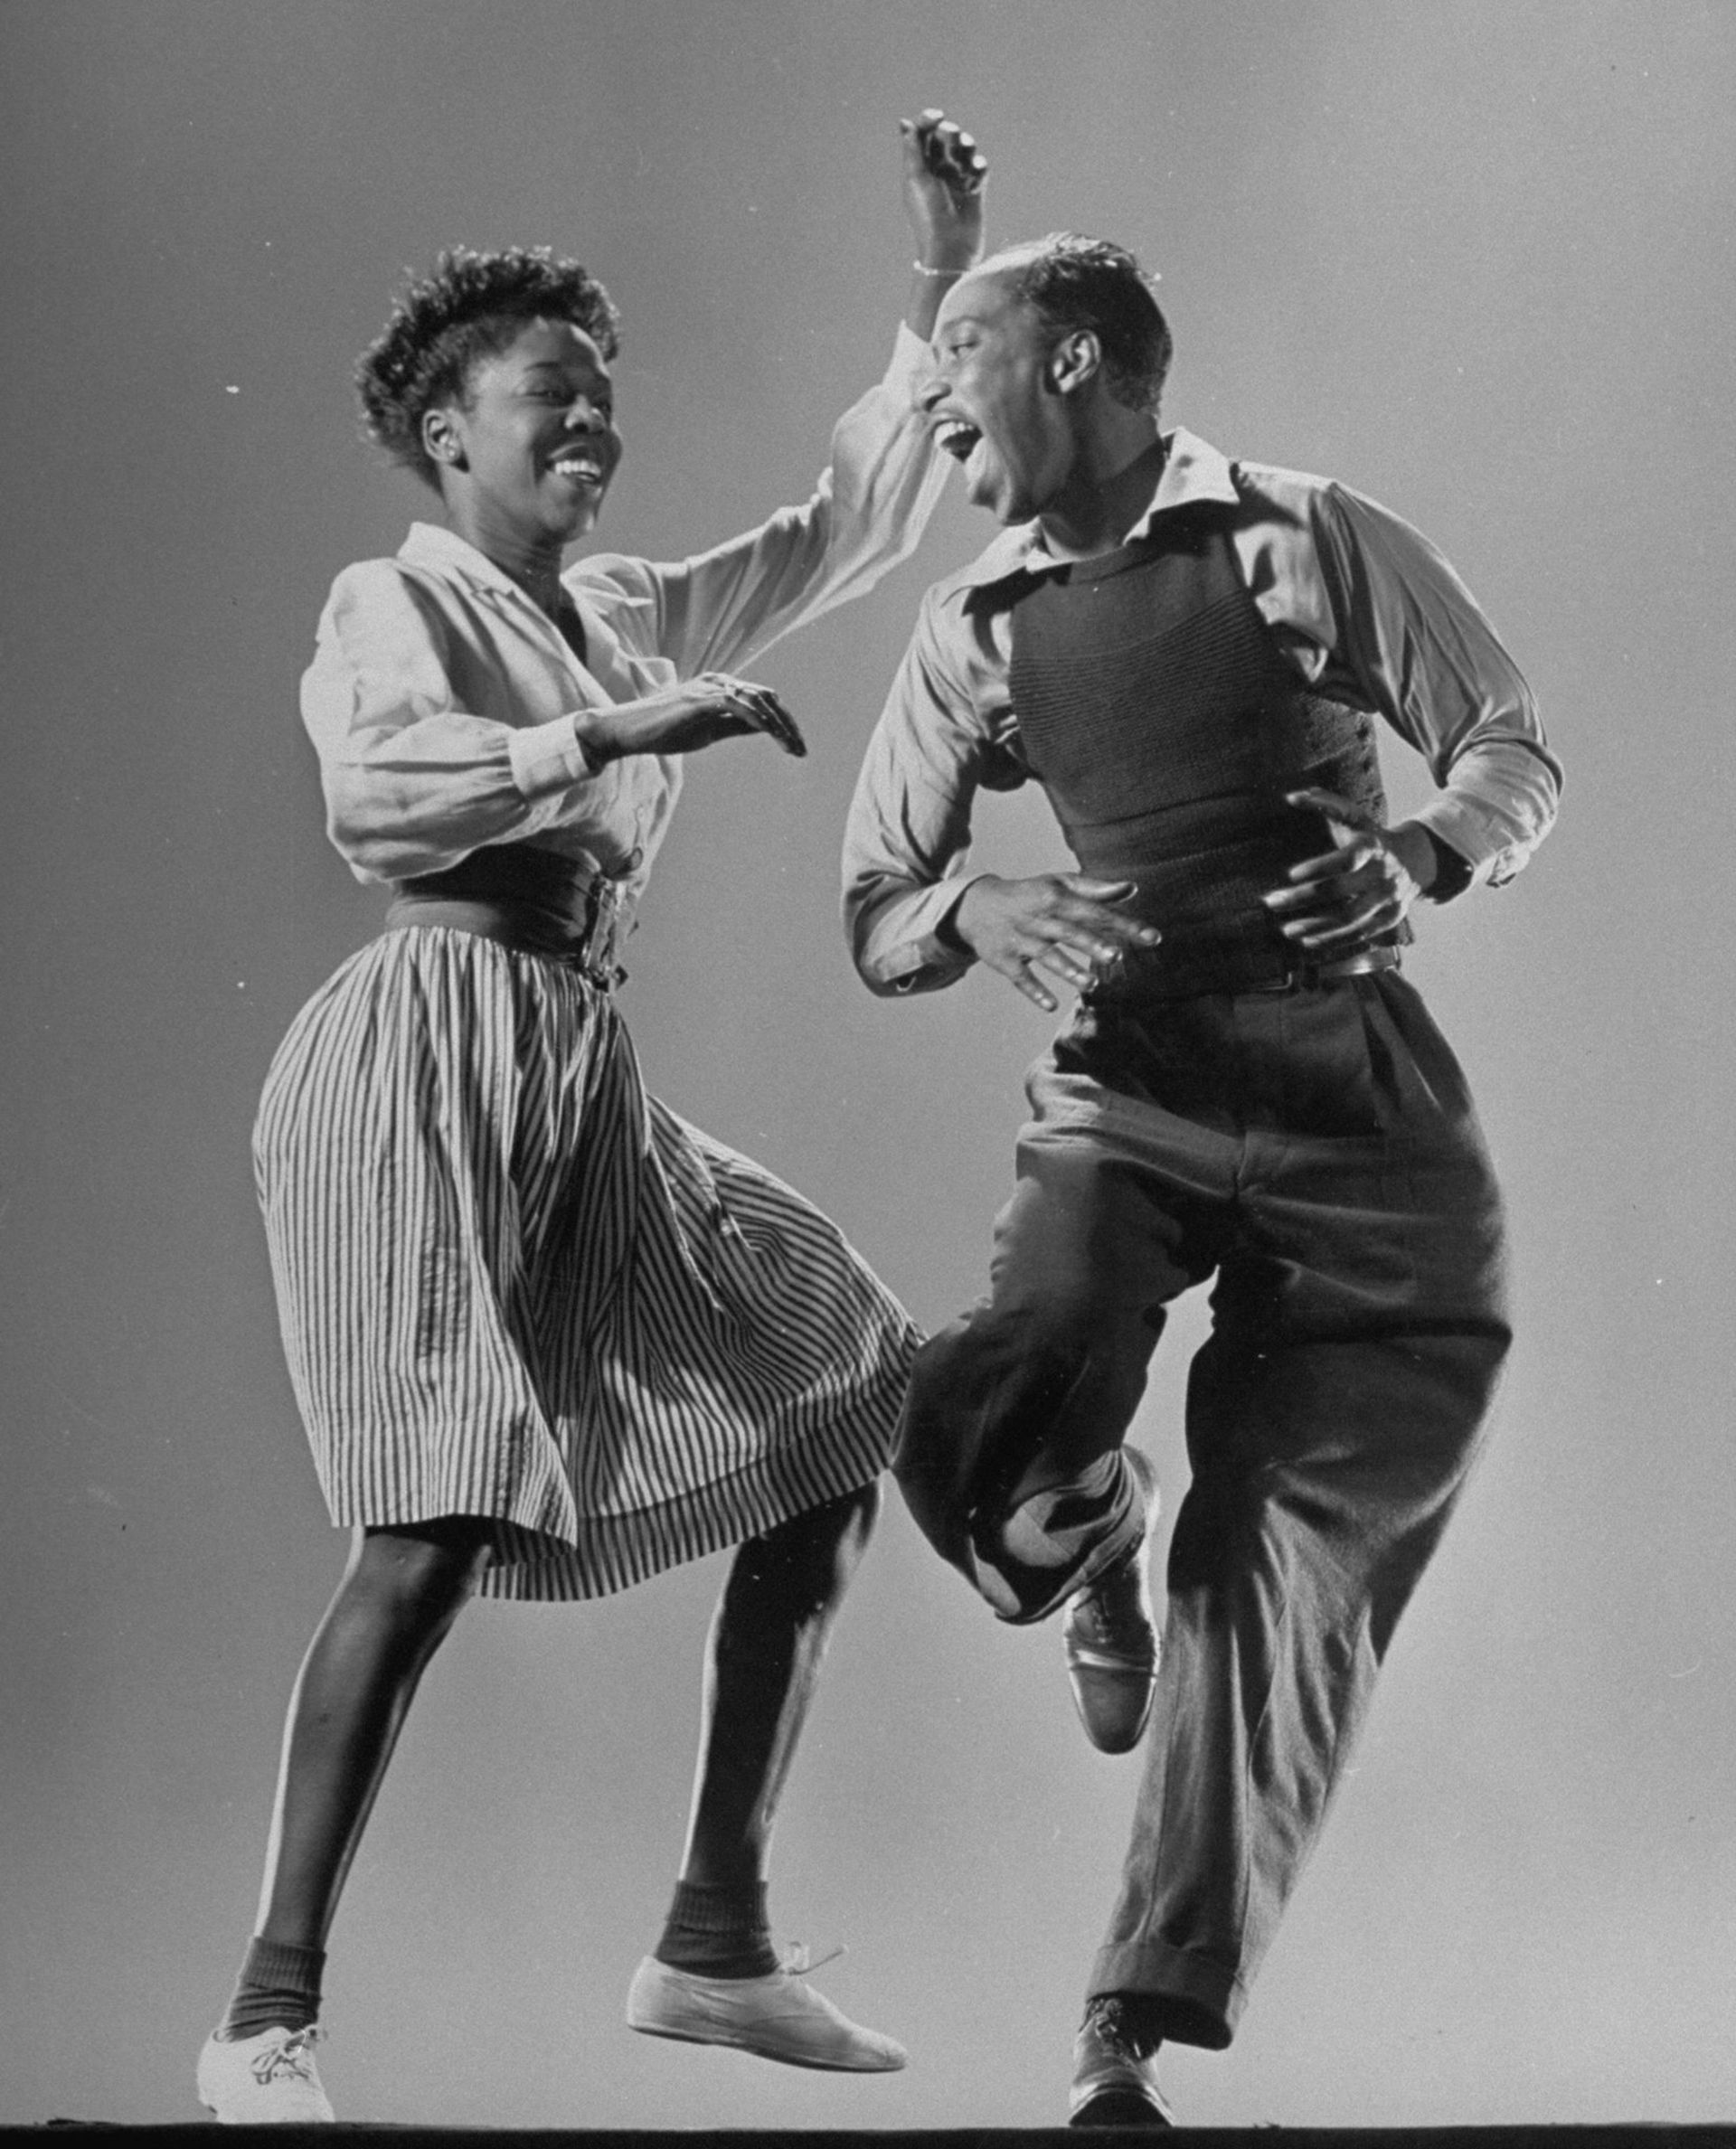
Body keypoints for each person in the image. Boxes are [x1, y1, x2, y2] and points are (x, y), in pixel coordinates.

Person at [196, 112, 987, 2125]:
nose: (594, 425)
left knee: (843, 1395)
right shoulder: (398, 599)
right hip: (422, 1048)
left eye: (606, 400)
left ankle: (713, 1934)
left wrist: (930, 289)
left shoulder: (623, 602)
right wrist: (612, 731)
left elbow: (832, 535)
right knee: (435, 1518)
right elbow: (378, 794)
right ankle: (264, 2021)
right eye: (555, 395)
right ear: (449, 434)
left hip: (574, 1067)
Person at [843, 231, 1561, 2125]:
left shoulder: (1302, 536)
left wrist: (1418, 859)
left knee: (1272, 1577)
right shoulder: (975, 622)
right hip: (1129, 1093)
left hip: (1357, 1126)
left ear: (1074, 360)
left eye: (963, 352)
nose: (934, 399)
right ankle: (1088, 1521)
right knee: (1012, 1368)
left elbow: (1509, 747)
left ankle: (1124, 2035)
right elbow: (875, 905)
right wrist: (970, 900)